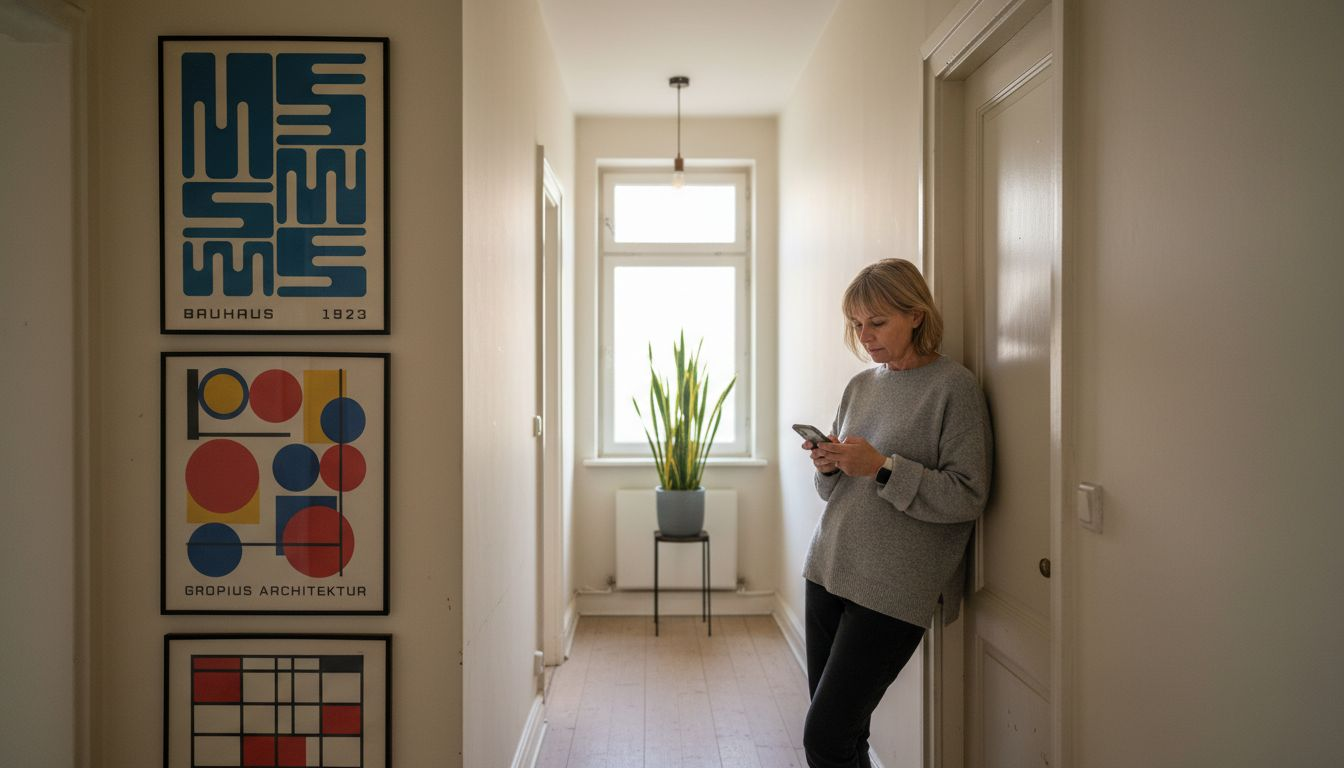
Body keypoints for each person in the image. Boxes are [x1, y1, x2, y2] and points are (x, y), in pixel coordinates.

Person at [799, 258, 992, 768]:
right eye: (858, 325)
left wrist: (882, 467)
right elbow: (832, 493)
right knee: (843, 735)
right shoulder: (861, 385)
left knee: (825, 737)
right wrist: (828, 464)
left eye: (877, 322)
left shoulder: (954, 388)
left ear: (916, 315)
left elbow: (968, 495)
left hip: (892, 589)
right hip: (827, 570)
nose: (865, 336)